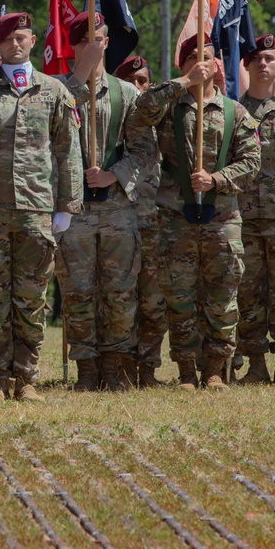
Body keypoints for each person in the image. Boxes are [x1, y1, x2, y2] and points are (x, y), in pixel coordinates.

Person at [0, 11, 83, 403]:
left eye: (23, 37)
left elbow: (68, 151)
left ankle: (26, 379)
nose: (16, 44)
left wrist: (67, 205)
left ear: (32, 42)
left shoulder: (54, 91)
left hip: (36, 210)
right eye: (8, 38)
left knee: (30, 298)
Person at [134, 36, 260, 390]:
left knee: (222, 295)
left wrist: (217, 178)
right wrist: (186, 82)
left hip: (222, 217)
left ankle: (217, 369)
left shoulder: (235, 112)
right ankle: (187, 371)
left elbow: (251, 162)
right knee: (180, 296)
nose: (200, 63)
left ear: (217, 65)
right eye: (191, 58)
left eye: (205, 58)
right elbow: (142, 110)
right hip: (176, 216)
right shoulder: (170, 108)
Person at [58, 12, 145, 392]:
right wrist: (81, 76)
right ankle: (86, 369)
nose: (92, 46)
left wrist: (115, 174)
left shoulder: (126, 94)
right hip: (74, 209)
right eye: (83, 42)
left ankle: (114, 367)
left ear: (107, 42)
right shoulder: (58, 90)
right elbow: (52, 132)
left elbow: (144, 150)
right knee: (78, 291)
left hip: (115, 209)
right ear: (74, 47)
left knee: (120, 291)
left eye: (98, 39)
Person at [115, 54, 167, 386]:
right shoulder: (108, 124)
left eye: (143, 81)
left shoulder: (160, 122)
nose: (138, 87)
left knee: (153, 301)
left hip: (154, 224)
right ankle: (119, 368)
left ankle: (147, 370)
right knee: (120, 300)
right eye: (131, 82)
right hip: (118, 223)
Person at [230, 34, 275, 384]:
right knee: (249, 295)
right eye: (257, 58)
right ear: (245, 65)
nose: (264, 63)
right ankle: (256, 368)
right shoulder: (233, 113)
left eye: (270, 58)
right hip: (243, 219)